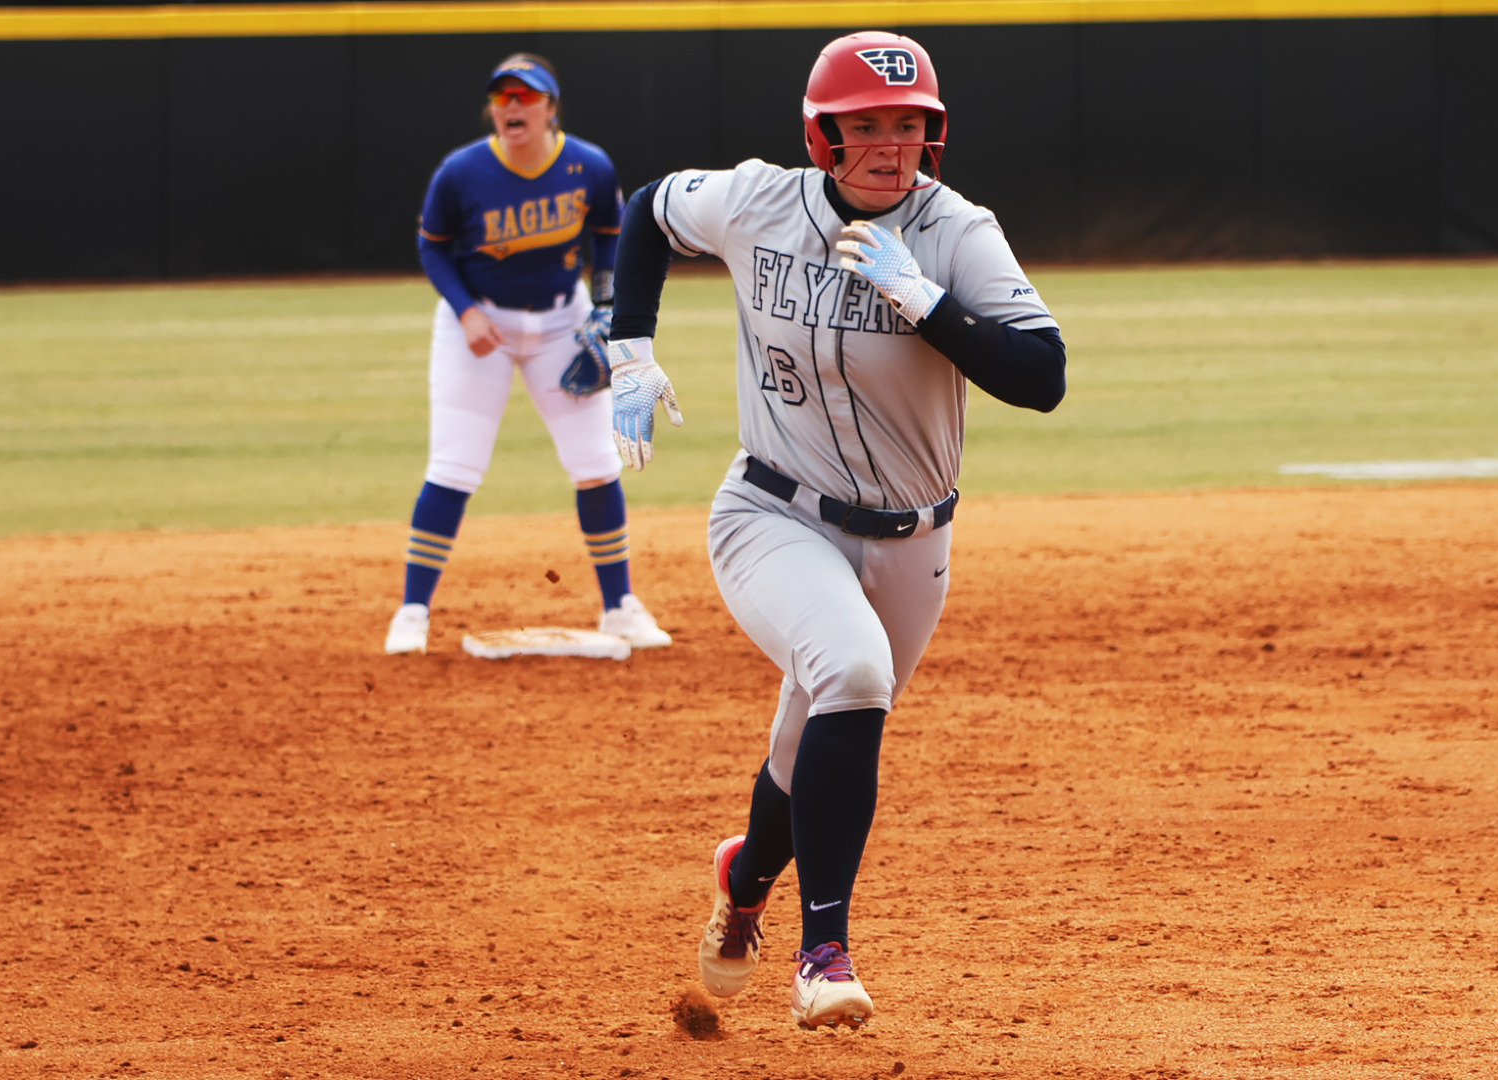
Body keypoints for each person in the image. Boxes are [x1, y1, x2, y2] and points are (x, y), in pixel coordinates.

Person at [593, 31, 1066, 1029]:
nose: (890, 144)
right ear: (824, 136)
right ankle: (825, 953)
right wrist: (627, 347)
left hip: (913, 543)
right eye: (867, 126)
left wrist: (929, 303)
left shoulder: (956, 233)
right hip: (770, 511)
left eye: (910, 125)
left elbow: (1042, 376)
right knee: (851, 671)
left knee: (811, 735)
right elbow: (645, 211)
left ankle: (747, 873)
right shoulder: (760, 200)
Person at [385, 53, 670, 655]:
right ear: (493, 108)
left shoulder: (587, 165)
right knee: (455, 466)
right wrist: (465, 310)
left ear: (549, 107)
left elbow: (609, 238)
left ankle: (619, 605)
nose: (513, 106)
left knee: (595, 462)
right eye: (503, 97)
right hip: (479, 324)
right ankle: (413, 612)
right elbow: (433, 248)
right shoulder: (461, 173)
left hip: (561, 321)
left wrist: (604, 307)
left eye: (525, 96)